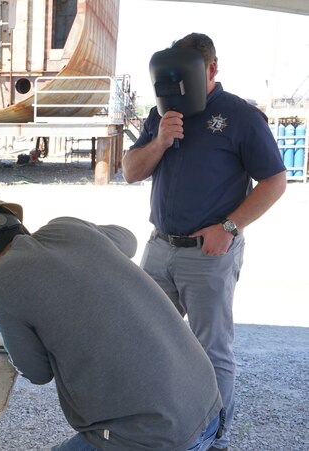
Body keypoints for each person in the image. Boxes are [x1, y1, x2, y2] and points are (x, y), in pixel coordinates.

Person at [0, 193, 225, 451]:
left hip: (156, 436)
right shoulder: (67, 228)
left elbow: (37, 372)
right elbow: (128, 239)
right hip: (208, 405)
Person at [122, 33, 286, 451]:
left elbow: (274, 181)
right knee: (142, 337)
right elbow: (130, 171)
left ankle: (216, 438)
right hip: (159, 247)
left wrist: (229, 228)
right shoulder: (162, 115)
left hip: (209, 254)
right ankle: (154, 425)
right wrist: (159, 141)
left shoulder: (240, 116)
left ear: (211, 69)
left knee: (211, 350)